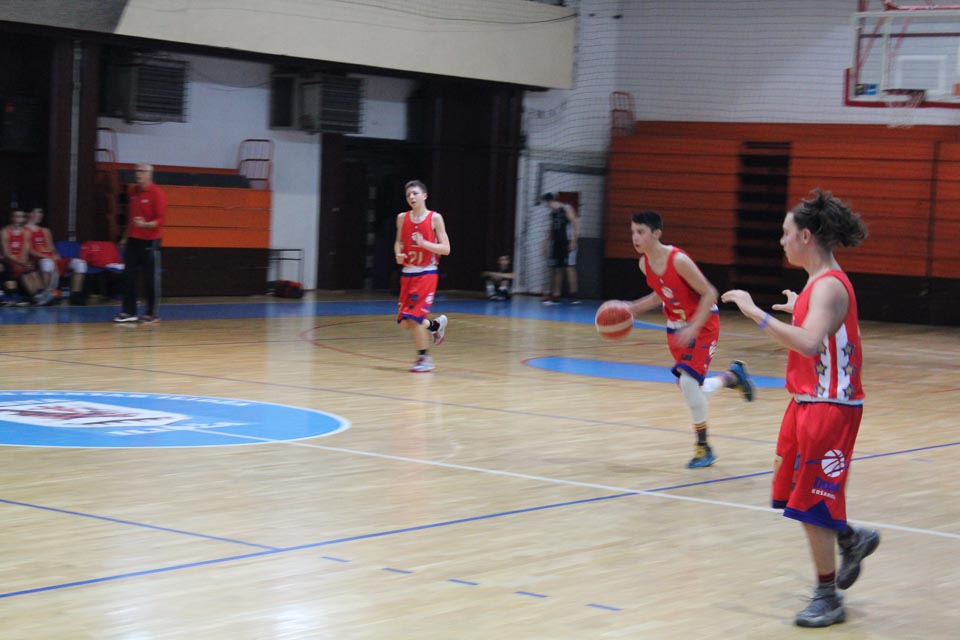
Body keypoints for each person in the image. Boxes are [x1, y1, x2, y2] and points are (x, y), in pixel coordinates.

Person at [722, 189, 879, 628]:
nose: (781, 241)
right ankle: (850, 539)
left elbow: (810, 344)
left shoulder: (828, 286)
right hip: (806, 403)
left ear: (806, 236)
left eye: (785, 233)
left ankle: (828, 597)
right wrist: (800, 308)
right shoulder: (817, 284)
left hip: (831, 408)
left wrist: (755, 313)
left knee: (813, 502)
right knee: (795, 492)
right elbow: (821, 334)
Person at [623, 210, 754, 468]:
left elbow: (709, 293)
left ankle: (703, 448)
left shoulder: (679, 260)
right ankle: (733, 377)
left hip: (703, 324)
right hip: (676, 328)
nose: (635, 237)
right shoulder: (644, 264)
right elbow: (661, 294)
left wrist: (694, 327)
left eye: (640, 232)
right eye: (633, 232)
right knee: (691, 388)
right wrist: (631, 308)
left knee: (688, 383)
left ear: (656, 234)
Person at [394, 180, 450, 372]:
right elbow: (398, 242)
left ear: (424, 196)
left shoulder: (435, 218)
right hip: (407, 274)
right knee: (405, 323)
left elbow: (446, 249)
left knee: (415, 318)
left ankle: (424, 359)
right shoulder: (402, 218)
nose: (411, 197)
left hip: (426, 273)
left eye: (415, 193)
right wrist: (398, 254)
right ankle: (435, 326)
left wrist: (425, 244)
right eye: (408, 195)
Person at [115, 163, 166, 325]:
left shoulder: (157, 193)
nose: (138, 174)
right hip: (133, 240)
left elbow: (160, 220)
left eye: (142, 171)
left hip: (150, 241)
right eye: (137, 171)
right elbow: (131, 218)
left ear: (149, 174)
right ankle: (129, 311)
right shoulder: (133, 192)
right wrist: (125, 237)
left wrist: (145, 225)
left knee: (150, 278)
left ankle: (152, 313)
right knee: (128, 275)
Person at [26, 207, 88, 305]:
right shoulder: (24, 230)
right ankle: (46, 295)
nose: (40, 215)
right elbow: (29, 250)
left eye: (40, 212)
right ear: (29, 214)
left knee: (80, 264)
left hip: (51, 258)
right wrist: (46, 257)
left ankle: (76, 295)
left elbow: (51, 248)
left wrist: (56, 256)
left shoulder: (45, 230)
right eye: (37, 212)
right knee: (47, 263)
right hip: (37, 259)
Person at [1, 209, 51, 305]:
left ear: (24, 219)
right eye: (16, 216)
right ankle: (35, 296)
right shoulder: (5, 232)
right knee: (23, 271)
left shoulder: (26, 232)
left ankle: (41, 294)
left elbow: (25, 250)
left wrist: (24, 263)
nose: (19, 219)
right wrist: (21, 263)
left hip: (20, 260)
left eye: (21, 216)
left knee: (31, 271)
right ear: (11, 218)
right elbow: (7, 253)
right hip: (9, 260)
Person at [541, 193, 579, 304]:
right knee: (557, 268)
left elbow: (575, 223)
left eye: (547, 204)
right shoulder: (552, 213)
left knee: (569, 268)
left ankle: (574, 296)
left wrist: (574, 241)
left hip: (567, 242)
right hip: (557, 243)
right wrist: (545, 243)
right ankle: (556, 295)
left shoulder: (566, 208)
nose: (547, 206)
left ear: (550, 201)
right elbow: (551, 229)